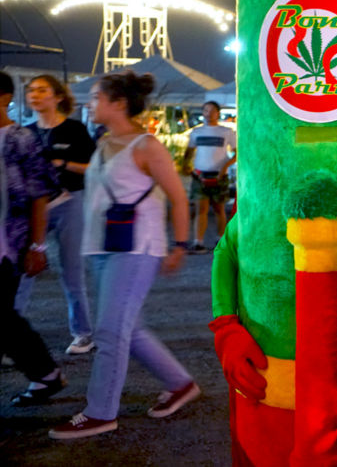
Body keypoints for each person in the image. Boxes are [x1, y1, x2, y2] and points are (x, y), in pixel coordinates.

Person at [49, 71, 199, 439]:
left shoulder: (147, 146)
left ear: (118, 103)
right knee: (128, 329)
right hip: (103, 247)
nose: (90, 102)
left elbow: (179, 197)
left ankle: (101, 412)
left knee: (110, 332)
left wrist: (179, 245)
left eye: (97, 96)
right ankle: (180, 384)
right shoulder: (103, 143)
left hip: (136, 249)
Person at [14, 74, 97, 356]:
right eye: (31, 90)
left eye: (42, 90)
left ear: (58, 96)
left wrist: (64, 163)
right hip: (37, 206)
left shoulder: (75, 130)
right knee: (23, 268)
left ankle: (83, 334)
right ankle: (10, 335)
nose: (34, 95)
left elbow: (94, 169)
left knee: (71, 270)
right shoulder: (24, 132)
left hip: (70, 202)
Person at [0, 70, 68, 406]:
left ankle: (45, 373)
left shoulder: (20, 139)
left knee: (2, 316)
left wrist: (37, 246)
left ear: (3, 99)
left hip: (8, 248)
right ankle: (45, 374)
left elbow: (40, 196)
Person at [181, 100, 237, 253]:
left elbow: (236, 153)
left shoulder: (226, 132)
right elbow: (189, 151)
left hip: (220, 176)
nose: (208, 113)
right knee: (200, 209)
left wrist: (225, 166)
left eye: (212, 110)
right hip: (199, 175)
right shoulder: (196, 132)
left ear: (218, 113)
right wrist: (186, 165)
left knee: (219, 209)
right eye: (205, 110)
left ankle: (221, 240)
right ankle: (198, 242)